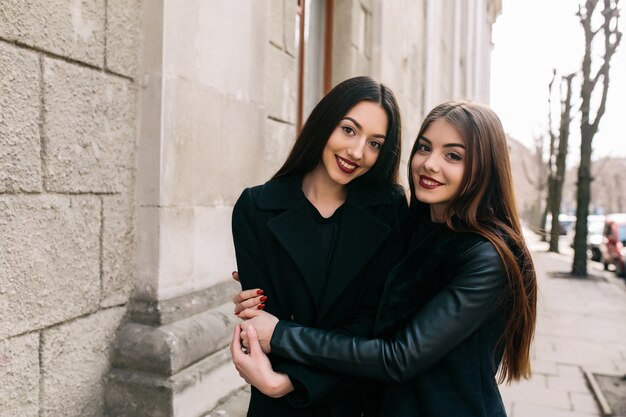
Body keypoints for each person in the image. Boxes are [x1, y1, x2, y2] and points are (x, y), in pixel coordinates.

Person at [232, 101, 538, 417]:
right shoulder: (418, 228)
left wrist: (281, 335)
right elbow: (369, 300)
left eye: (453, 156)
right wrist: (286, 271)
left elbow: (398, 357)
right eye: (424, 147)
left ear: (485, 168)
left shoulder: (487, 257)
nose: (430, 164)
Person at [230, 76, 408, 417]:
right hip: (279, 408)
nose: (357, 152)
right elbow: (260, 326)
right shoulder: (255, 208)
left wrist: (290, 380)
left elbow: (375, 325)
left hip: (355, 401)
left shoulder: (391, 210)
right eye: (349, 130)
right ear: (325, 123)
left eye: (375, 143)